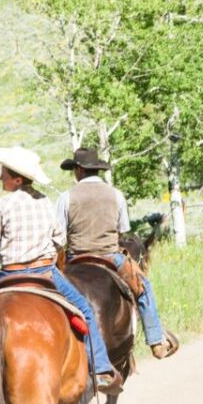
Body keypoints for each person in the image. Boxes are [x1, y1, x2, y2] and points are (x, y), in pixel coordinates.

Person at [0, 146, 122, 394]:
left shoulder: (4, 203)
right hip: (44, 272)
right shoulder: (44, 201)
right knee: (85, 310)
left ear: (17, 179)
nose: (0, 177)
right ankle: (100, 368)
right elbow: (59, 238)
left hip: (9, 273)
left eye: (3, 173)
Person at [55, 147, 179, 359]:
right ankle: (156, 341)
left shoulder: (66, 197)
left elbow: (58, 235)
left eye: (74, 169)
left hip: (76, 258)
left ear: (79, 170)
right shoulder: (115, 194)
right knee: (143, 287)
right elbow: (123, 229)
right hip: (110, 256)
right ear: (95, 169)